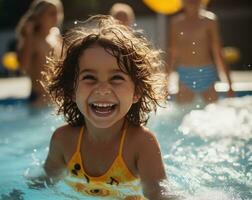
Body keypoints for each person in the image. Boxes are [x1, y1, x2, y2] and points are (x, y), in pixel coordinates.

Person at [40, 15, 168, 199]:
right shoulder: (63, 140)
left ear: (136, 93)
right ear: (71, 90)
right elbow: (43, 182)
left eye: (116, 78)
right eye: (89, 78)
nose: (102, 89)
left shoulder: (141, 143)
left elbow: (159, 193)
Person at [167, 0, 234, 103]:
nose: (192, 2)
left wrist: (229, 84)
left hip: (206, 72)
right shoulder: (176, 23)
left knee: (212, 113)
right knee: (181, 115)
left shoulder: (209, 21)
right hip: (186, 74)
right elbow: (172, 54)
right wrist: (164, 83)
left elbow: (218, 52)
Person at [16, 0, 64, 106]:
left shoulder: (56, 35)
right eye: (51, 13)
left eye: (58, 12)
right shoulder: (32, 40)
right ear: (39, 17)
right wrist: (28, 35)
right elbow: (22, 67)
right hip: (39, 99)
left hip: (56, 98)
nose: (56, 17)